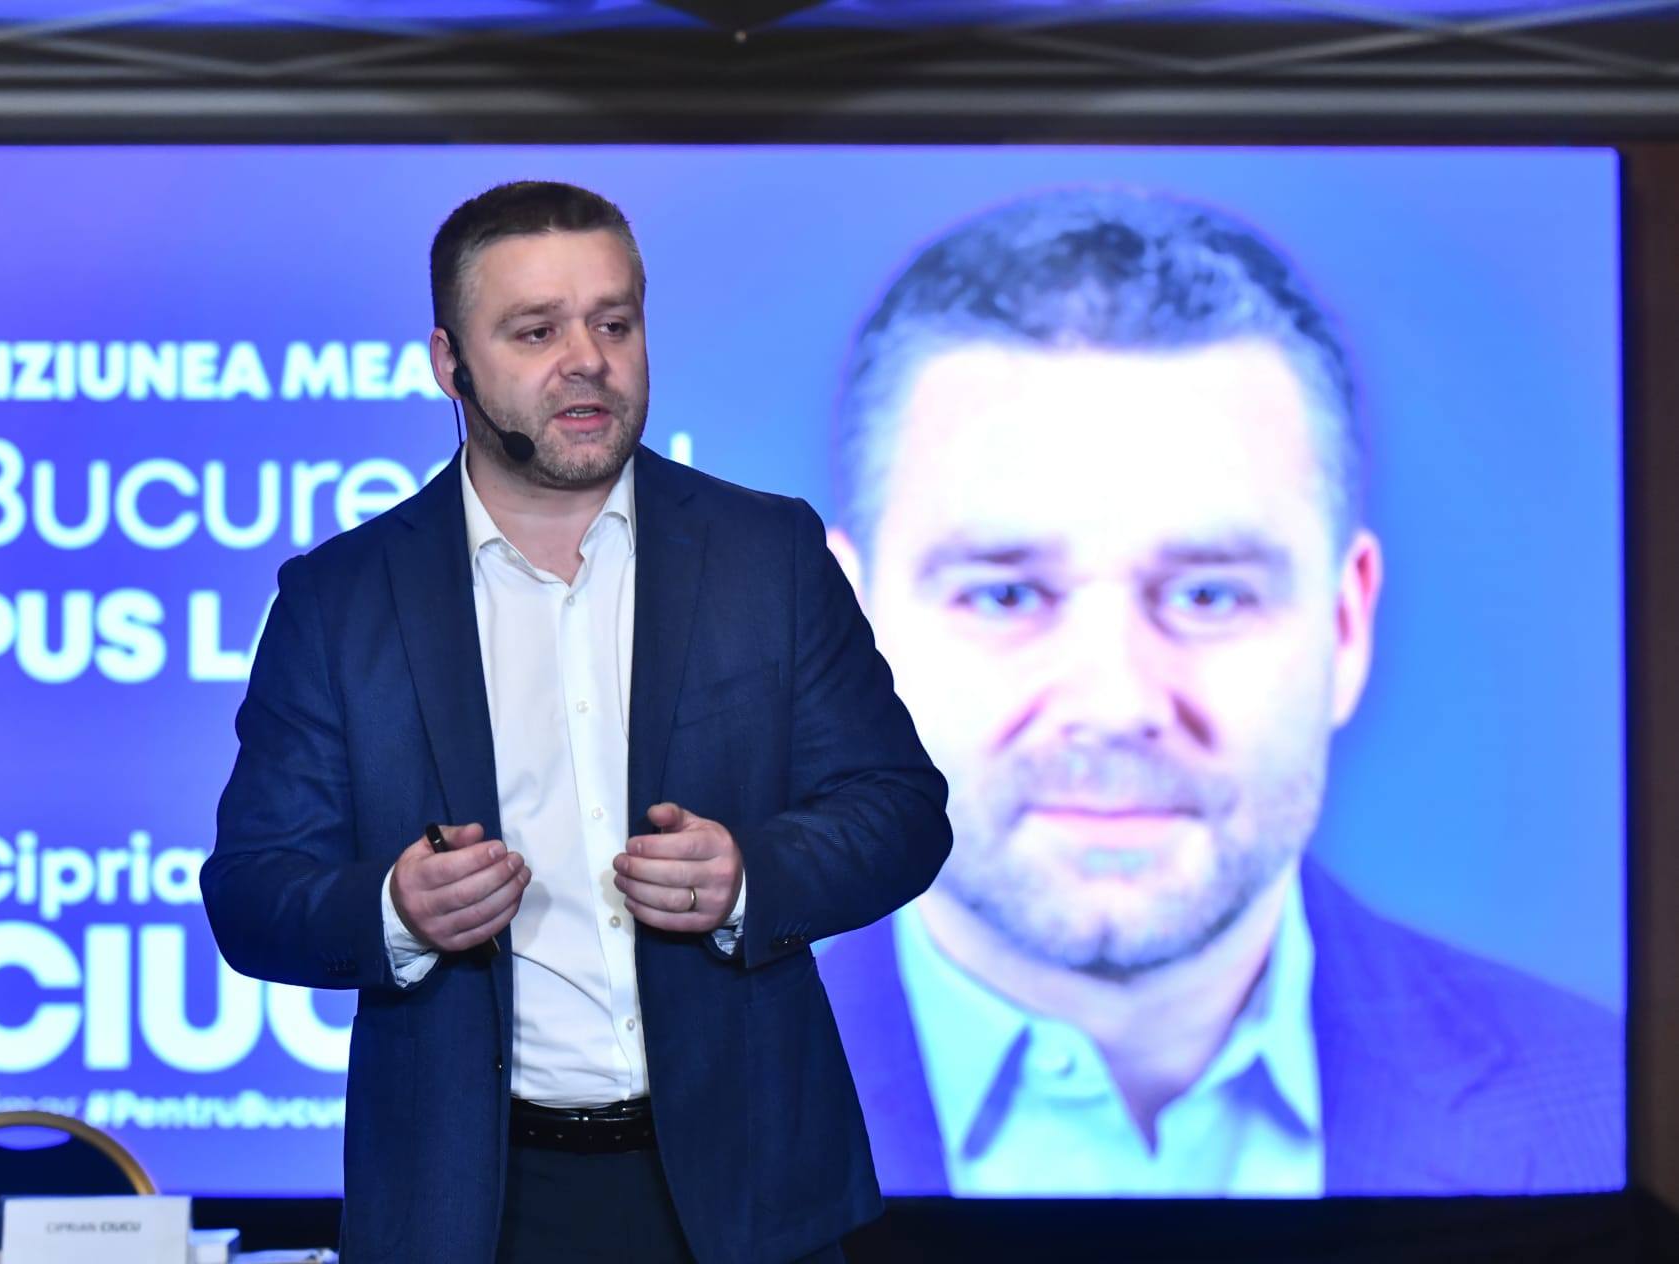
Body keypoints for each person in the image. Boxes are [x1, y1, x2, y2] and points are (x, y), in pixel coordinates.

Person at [815, 188, 1622, 1198]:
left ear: (1346, 626)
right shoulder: (661, 1112)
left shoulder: (1603, 1107)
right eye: (1006, 593)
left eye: (1208, 594)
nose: (1114, 704)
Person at [202, 180, 950, 1263]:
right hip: (473, 1205)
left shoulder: (767, 555)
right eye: (535, 331)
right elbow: (252, 892)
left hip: (749, 1194)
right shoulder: (342, 600)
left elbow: (901, 813)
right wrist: (396, 907)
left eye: (614, 323)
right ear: (449, 363)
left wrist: (752, 876)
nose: (587, 360)